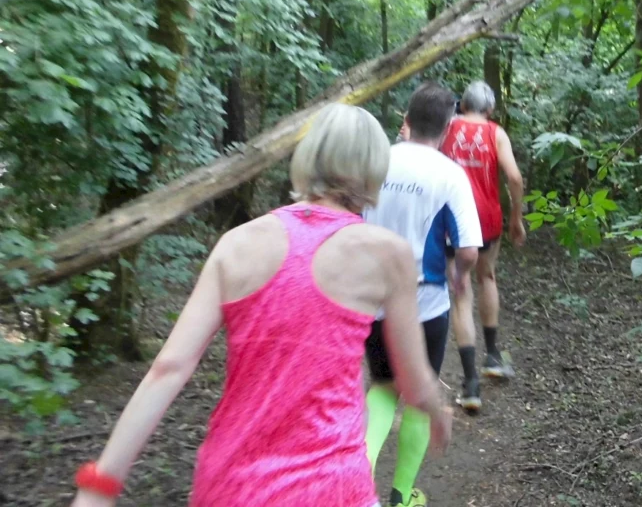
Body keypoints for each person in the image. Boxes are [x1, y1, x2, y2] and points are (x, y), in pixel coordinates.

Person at [69, 104, 451, 507]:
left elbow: (168, 368)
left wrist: (99, 485)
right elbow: (409, 380)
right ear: (376, 169)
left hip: (230, 485)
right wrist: (436, 410)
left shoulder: (235, 244)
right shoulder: (386, 253)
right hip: (329, 486)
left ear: (308, 156)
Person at [362, 82, 481, 507]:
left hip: (373, 296)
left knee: (382, 386)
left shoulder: (376, 163)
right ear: (448, 128)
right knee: (418, 389)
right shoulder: (451, 175)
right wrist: (459, 274)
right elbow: (468, 248)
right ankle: (399, 497)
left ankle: (356, 490)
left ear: (406, 120)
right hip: (426, 301)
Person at [441, 80, 526, 413]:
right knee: (486, 277)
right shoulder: (496, 132)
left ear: (463, 106)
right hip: (487, 218)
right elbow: (515, 178)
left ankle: (471, 384)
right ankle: (492, 356)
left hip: (452, 219)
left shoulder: (446, 127)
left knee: (461, 294)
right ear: (490, 109)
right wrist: (516, 217)